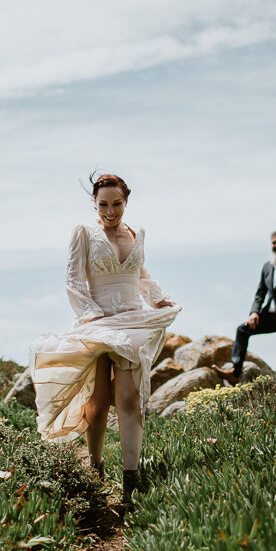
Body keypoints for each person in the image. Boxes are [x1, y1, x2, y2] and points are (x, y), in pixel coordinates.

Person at [29, 173, 179, 507]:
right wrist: (94, 318)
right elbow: (73, 280)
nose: (110, 211)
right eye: (103, 204)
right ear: (94, 203)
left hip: (131, 324)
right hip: (96, 321)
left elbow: (140, 275)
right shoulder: (83, 232)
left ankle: (129, 487)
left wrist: (160, 299)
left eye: (117, 204)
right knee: (96, 404)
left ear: (126, 201)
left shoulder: (137, 233)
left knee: (129, 401)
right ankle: (95, 474)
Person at [213, 231, 276, 389]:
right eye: (274, 243)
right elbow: (260, 292)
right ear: (271, 245)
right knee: (242, 330)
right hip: (270, 316)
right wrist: (254, 312)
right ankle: (235, 372)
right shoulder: (267, 266)